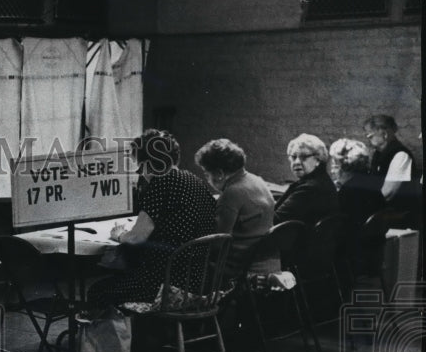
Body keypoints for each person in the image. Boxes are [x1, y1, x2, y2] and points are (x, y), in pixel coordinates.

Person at [90, 129, 216, 307]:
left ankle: (129, 334)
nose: (140, 173)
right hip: (199, 281)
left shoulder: (160, 181)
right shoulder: (195, 180)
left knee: (98, 290)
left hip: (167, 286)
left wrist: (119, 234)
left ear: (150, 163)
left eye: (140, 166)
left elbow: (136, 237)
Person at [194, 138, 275, 276]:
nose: (207, 179)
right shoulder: (257, 180)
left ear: (219, 174)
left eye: (207, 174)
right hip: (267, 264)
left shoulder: (231, 193)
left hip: (243, 270)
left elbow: (217, 243)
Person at [328, 138, 386, 277]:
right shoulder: (370, 184)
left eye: (334, 162)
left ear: (342, 165)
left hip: (351, 258)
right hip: (374, 254)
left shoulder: (348, 191)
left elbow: (336, 227)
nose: (332, 168)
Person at [363, 114, 421, 221]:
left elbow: (388, 193)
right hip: (381, 212)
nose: (368, 140)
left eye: (370, 136)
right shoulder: (378, 154)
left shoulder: (401, 155)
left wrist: (365, 207)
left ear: (384, 134)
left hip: (399, 216)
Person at [273, 134, 339, 226]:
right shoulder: (321, 180)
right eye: (293, 157)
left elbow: (274, 220)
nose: (296, 162)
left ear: (318, 160)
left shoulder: (309, 188)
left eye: (303, 157)